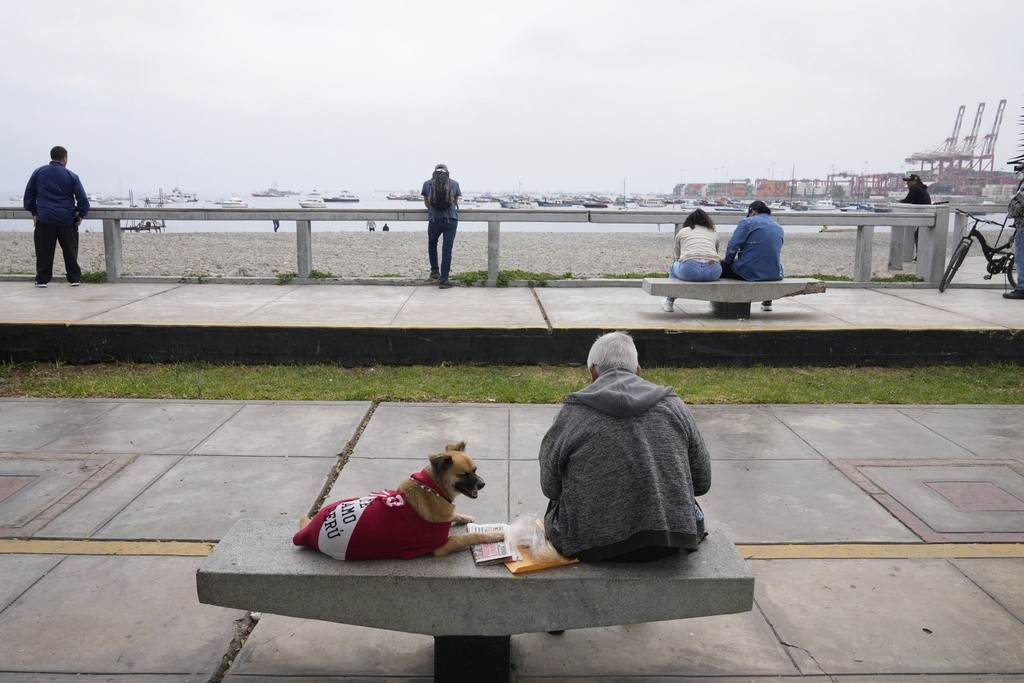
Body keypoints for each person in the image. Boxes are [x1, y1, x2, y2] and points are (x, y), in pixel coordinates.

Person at [538, 331, 711, 563]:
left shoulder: (571, 413)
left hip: (591, 546)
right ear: (638, 370)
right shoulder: (674, 406)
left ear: (593, 372)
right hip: (669, 542)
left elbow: (550, 488)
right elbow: (702, 482)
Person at [23, 145, 90, 287]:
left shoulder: (38, 172)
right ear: (64, 158)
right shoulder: (71, 175)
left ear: (51, 156)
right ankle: (74, 278)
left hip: (45, 218)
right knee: (70, 250)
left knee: (44, 251)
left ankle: (42, 279)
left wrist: (34, 212)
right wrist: (80, 215)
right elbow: (82, 199)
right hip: (66, 219)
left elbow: (29, 195)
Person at [720, 199, 784, 311]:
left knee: (719, 268)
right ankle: (767, 301)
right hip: (774, 272)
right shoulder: (778, 227)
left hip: (749, 272)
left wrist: (727, 262)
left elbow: (733, 246)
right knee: (765, 260)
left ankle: (726, 302)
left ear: (753, 212)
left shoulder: (747, 222)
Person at [662, 208, 721, 312]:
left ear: (689, 220)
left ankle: (669, 302)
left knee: (674, 266)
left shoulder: (683, 231)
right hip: (713, 271)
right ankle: (714, 303)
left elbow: (677, 254)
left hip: (689, 270)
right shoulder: (713, 233)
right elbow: (715, 252)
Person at [421, 163, 462, 288]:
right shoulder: (454, 183)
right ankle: (444, 280)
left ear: (434, 172)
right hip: (450, 220)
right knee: (447, 250)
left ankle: (435, 271)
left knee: (432, 244)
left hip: (434, 219)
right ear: (447, 172)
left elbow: (427, 203)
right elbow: (454, 201)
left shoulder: (427, 184)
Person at [899, 173, 931, 260]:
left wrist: (900, 202)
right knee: (920, 235)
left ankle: (920, 256)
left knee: (918, 235)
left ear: (915, 181)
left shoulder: (914, 188)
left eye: (909, 181)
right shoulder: (921, 188)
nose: (907, 183)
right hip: (928, 215)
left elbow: (907, 201)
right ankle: (921, 256)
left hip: (924, 216)